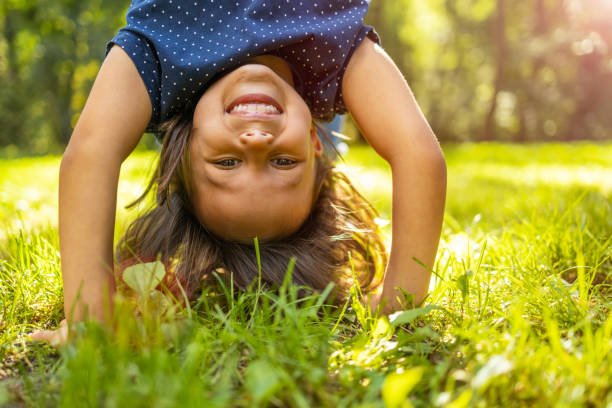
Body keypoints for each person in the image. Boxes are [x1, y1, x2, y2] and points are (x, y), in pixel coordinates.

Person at [29, 0, 446, 346]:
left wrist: (90, 320)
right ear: (314, 146)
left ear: (186, 146)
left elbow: (90, 155)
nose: (256, 142)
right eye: (284, 161)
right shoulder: (334, 61)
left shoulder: (158, 61)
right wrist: (399, 301)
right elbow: (418, 155)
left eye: (226, 162)